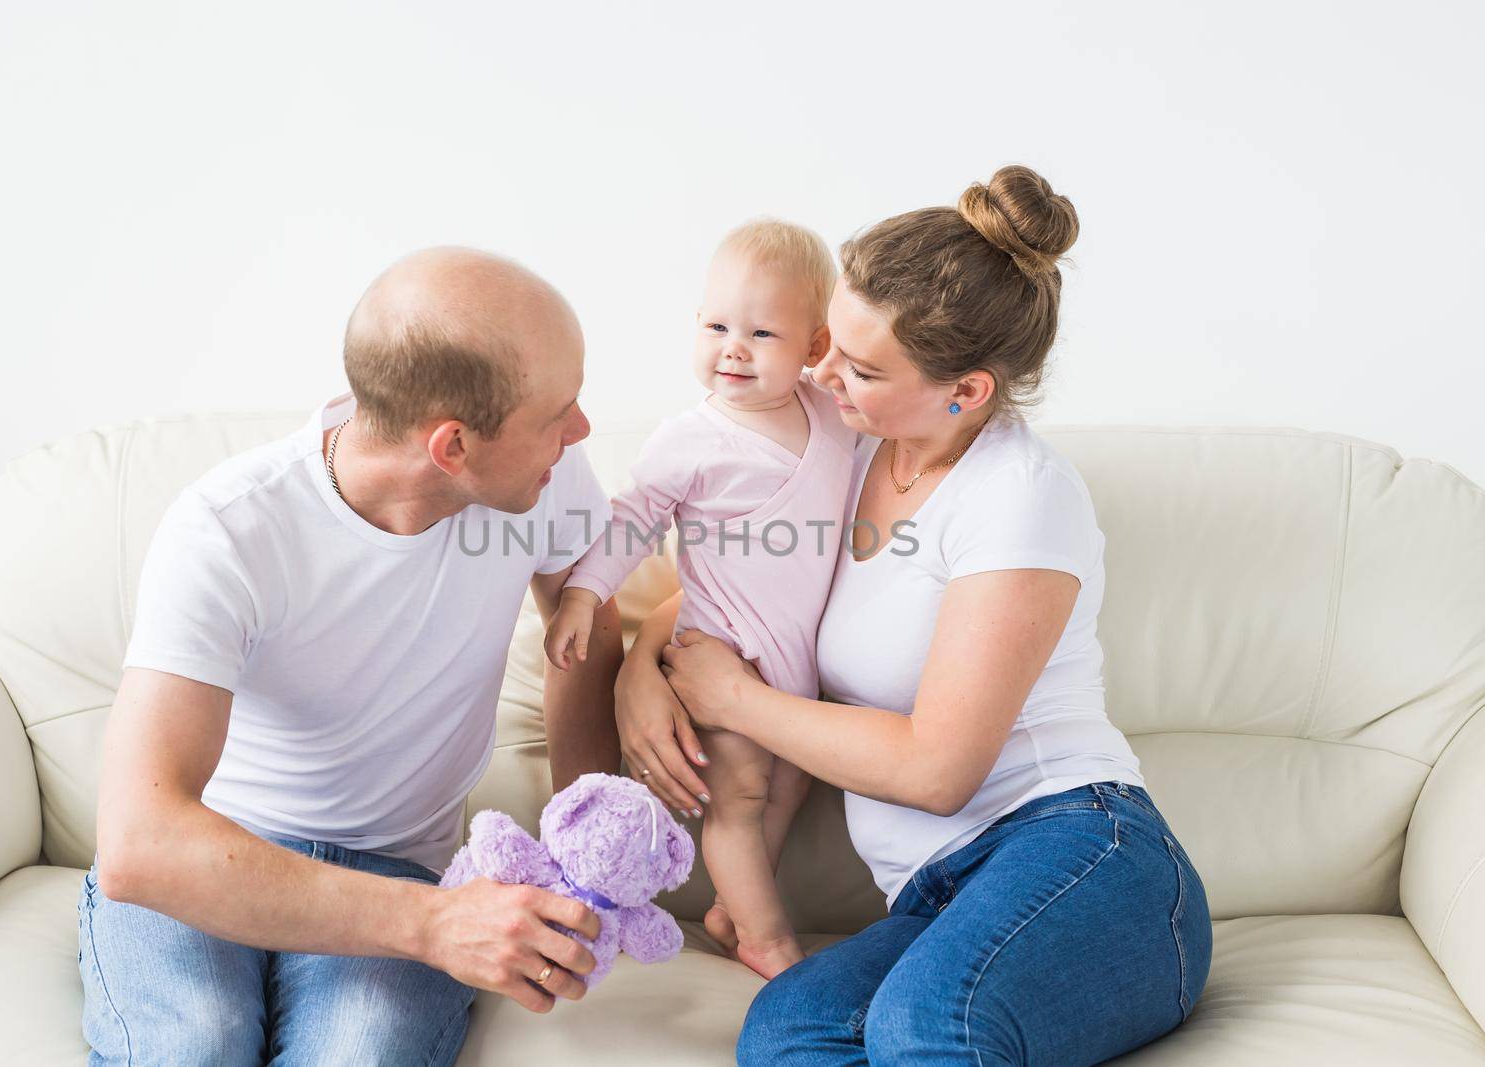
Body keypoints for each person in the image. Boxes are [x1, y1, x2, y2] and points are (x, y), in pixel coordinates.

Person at [617, 166, 1214, 1065]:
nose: (820, 375)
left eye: (859, 366)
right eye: (829, 346)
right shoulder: (846, 449)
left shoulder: (1019, 496)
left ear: (964, 391)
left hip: (1083, 849)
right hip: (936, 896)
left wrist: (733, 701)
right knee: (788, 1030)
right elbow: (739, 577)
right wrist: (639, 665)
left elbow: (939, 770)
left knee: (927, 1028)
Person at [83, 247, 624, 1065]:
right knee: (197, 1044)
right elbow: (140, 843)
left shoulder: (549, 478)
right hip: (212, 856)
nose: (580, 429)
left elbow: (588, 623)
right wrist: (438, 923)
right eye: (559, 412)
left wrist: (586, 832)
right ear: (452, 446)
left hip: (398, 859)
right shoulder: (228, 530)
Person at [544, 219, 856, 979]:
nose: (732, 348)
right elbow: (631, 521)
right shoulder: (690, 438)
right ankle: (767, 937)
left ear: (815, 348)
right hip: (722, 654)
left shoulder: (830, 415)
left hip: (799, 665)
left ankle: (730, 905)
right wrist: (585, 593)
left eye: (761, 332)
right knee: (741, 794)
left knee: (789, 785)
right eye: (716, 325)